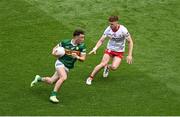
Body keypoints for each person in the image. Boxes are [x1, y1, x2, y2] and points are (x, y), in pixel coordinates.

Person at [31, 29, 86, 103]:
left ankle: (39, 78)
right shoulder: (64, 42)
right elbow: (55, 49)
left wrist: (77, 57)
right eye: (81, 37)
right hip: (60, 63)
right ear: (76, 37)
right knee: (63, 77)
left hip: (67, 67)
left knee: (51, 81)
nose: (83, 39)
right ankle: (53, 95)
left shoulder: (82, 46)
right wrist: (54, 53)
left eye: (83, 37)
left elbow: (83, 59)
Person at [86, 16, 133, 85]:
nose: (110, 26)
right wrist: (95, 48)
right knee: (103, 63)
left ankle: (107, 67)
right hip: (110, 49)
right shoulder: (108, 29)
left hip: (119, 51)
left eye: (112, 24)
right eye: (109, 24)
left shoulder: (123, 30)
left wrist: (129, 55)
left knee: (114, 67)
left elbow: (130, 42)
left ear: (117, 23)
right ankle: (90, 77)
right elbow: (101, 40)